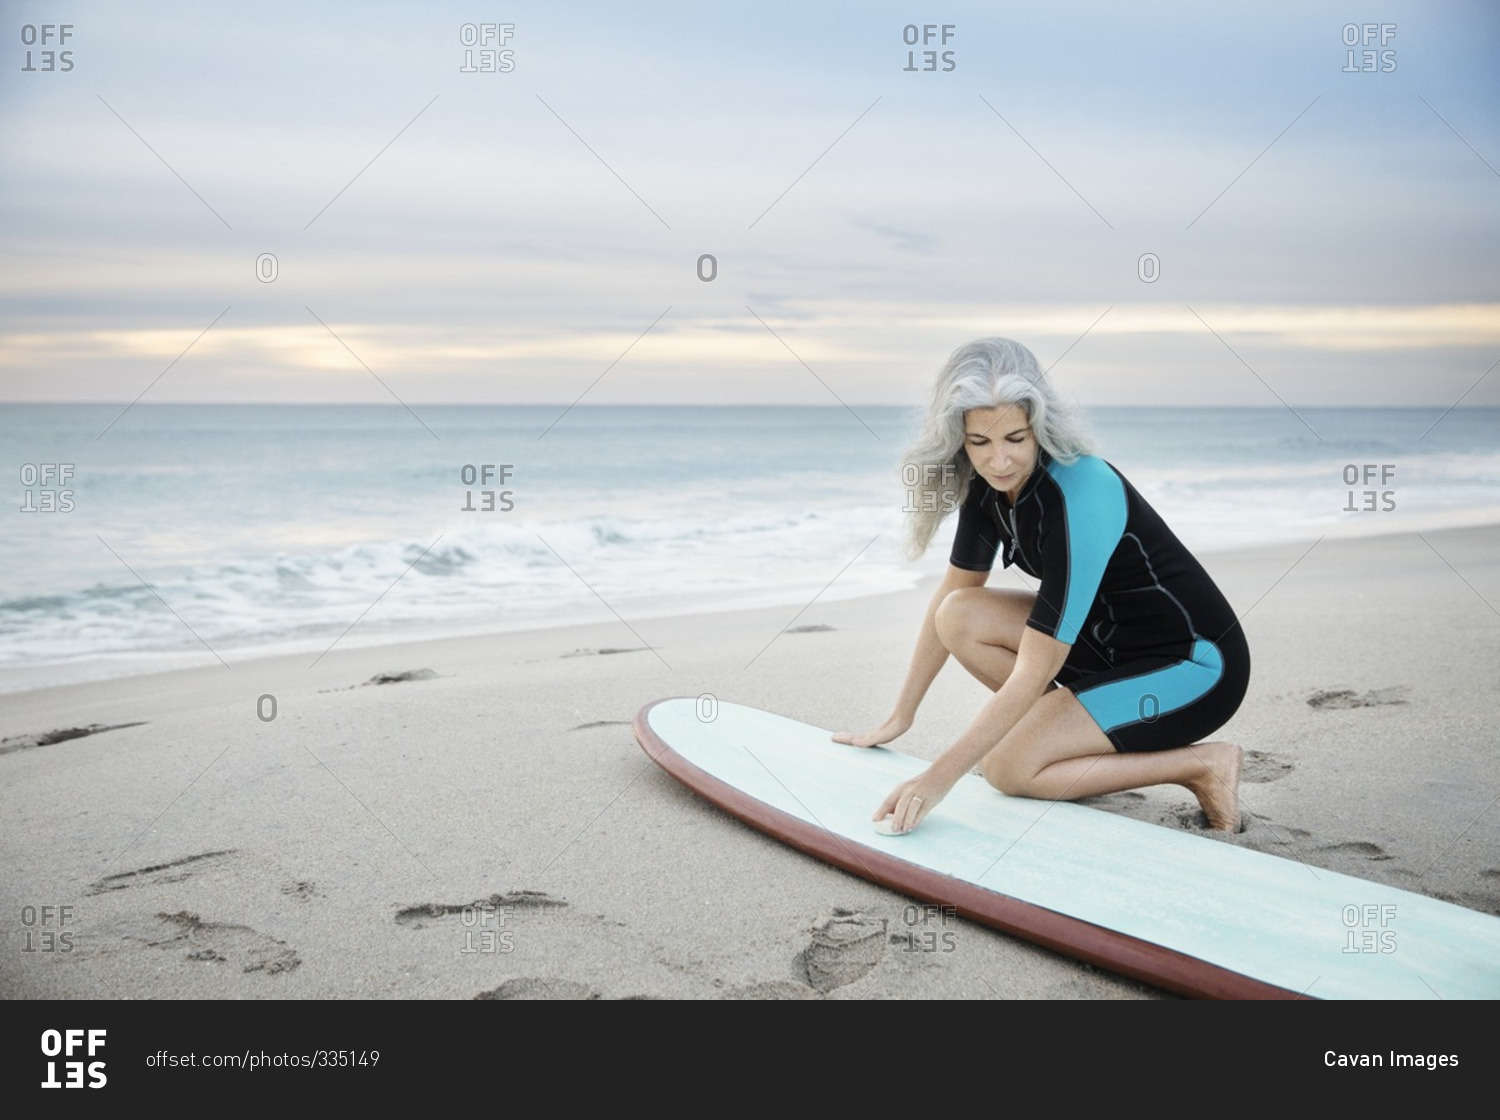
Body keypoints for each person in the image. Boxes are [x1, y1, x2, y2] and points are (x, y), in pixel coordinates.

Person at [833, 337, 1250, 835]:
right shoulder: (988, 486)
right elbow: (952, 593)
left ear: (1041, 425)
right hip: (1102, 650)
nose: (999, 461)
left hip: (1192, 669)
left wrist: (936, 779)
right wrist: (901, 715)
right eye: (979, 443)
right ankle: (1060, 739)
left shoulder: (1083, 488)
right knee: (957, 614)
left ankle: (1202, 766)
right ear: (958, 439)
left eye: (1015, 437)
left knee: (1006, 768)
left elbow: (1036, 668)